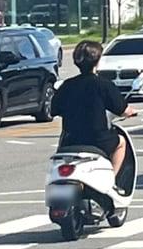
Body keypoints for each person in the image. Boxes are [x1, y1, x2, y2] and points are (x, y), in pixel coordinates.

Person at [52, 40, 136, 189]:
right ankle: (112, 182)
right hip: (98, 139)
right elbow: (122, 109)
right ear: (98, 61)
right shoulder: (103, 84)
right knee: (121, 143)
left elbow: (54, 110)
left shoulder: (67, 85)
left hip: (71, 139)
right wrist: (131, 112)